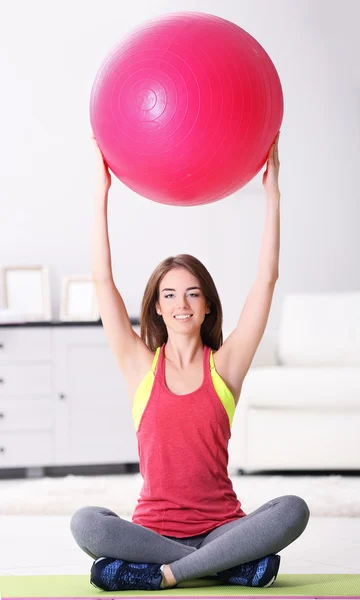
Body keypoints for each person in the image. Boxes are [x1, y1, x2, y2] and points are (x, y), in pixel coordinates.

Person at [70, 132, 310, 592]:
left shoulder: (227, 367)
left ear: (207, 307)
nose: (182, 303)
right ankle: (226, 566)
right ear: (156, 307)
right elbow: (102, 280)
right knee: (88, 523)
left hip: (223, 526)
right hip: (152, 532)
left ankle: (170, 574)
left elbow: (266, 279)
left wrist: (272, 193)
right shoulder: (140, 366)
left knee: (293, 508)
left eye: (193, 293)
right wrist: (100, 194)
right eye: (170, 295)